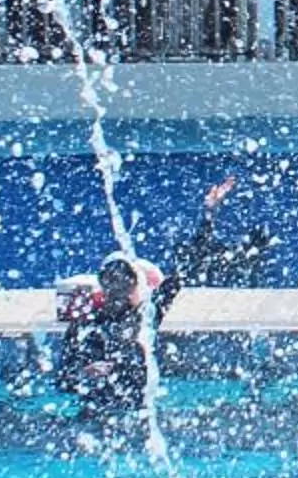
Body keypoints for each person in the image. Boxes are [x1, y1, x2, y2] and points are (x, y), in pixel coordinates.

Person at [54, 175, 263, 419]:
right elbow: (62, 381)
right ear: (104, 288)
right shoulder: (86, 324)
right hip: (95, 414)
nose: (121, 292)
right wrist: (84, 373)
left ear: (137, 285)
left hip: (137, 413)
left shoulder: (148, 313)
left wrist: (208, 213)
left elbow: (190, 264)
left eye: (125, 284)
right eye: (115, 285)